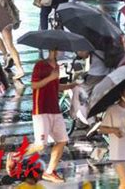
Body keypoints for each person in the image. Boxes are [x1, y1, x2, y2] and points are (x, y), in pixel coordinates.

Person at [7, 49, 76, 183]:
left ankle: (49, 172)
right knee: (40, 145)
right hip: (41, 110)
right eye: (58, 50)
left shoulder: (56, 66)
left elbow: (55, 86)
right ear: (53, 50)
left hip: (55, 109)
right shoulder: (40, 65)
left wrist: (70, 86)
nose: (61, 53)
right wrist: (51, 77)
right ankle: (15, 156)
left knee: (62, 140)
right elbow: (34, 85)